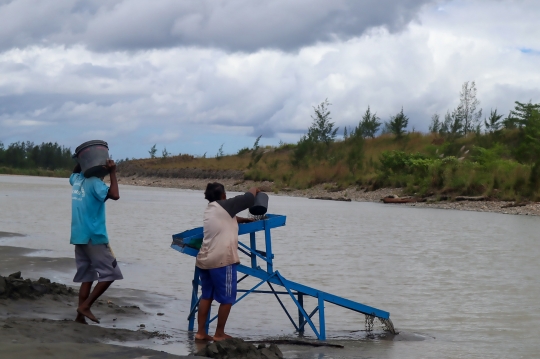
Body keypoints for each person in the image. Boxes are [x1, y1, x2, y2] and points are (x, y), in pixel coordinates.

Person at [195, 182, 260, 341]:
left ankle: (201, 333)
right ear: (223, 196)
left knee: (206, 296)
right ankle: (219, 334)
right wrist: (256, 189)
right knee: (228, 298)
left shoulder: (211, 209)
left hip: (205, 259)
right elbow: (248, 198)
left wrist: (245, 220)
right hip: (222, 260)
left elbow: (230, 218)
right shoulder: (226, 205)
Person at [70, 159, 123, 324]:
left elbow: (74, 172)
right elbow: (115, 195)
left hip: (79, 236)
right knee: (111, 273)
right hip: (94, 236)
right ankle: (85, 307)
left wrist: (81, 159)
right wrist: (113, 172)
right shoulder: (95, 183)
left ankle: (79, 318)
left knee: (87, 276)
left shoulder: (77, 180)